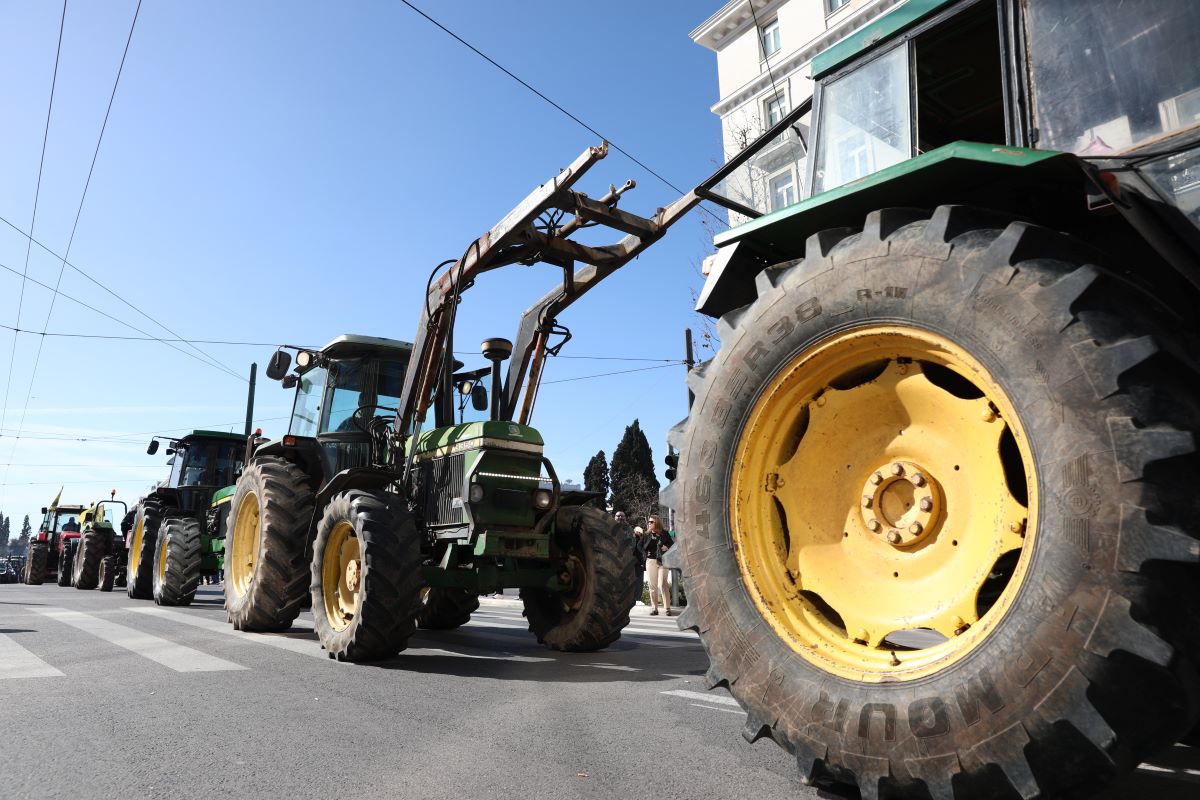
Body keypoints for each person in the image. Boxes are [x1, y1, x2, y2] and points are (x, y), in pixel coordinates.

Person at [644, 514, 675, 616]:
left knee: (662, 584)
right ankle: (654, 608)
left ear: (656, 523)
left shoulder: (664, 533)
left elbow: (672, 545)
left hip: (663, 561)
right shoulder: (647, 534)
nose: (649, 523)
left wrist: (667, 547)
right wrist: (645, 553)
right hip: (650, 562)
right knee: (652, 586)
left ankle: (667, 608)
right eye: (649, 522)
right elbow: (640, 546)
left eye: (651, 522)